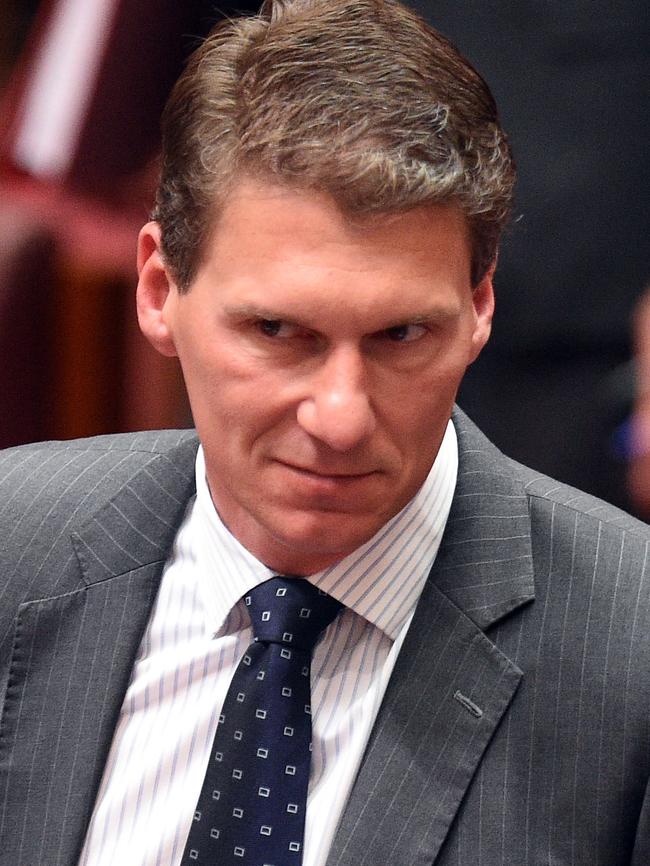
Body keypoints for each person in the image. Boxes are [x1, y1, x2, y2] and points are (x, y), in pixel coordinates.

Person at [0, 1, 649, 864]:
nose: (340, 417)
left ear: (477, 306)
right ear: (158, 289)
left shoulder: (630, 658)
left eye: (400, 336)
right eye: (277, 331)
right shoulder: (14, 550)